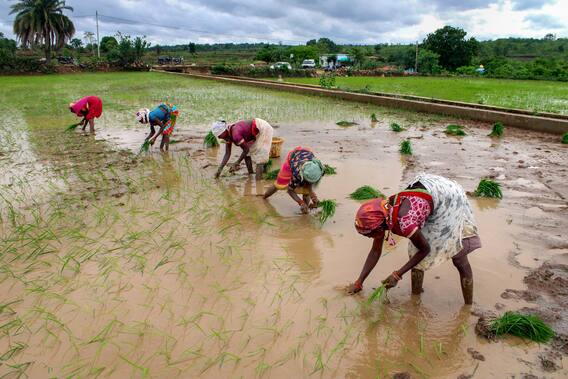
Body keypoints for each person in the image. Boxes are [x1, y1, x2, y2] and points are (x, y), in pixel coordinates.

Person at [347, 173, 481, 305]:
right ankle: (415, 300)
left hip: (448, 196)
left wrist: (397, 275)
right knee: (414, 252)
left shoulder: (405, 222)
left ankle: (468, 306)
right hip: (428, 192)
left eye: (369, 234)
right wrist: (359, 282)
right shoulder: (384, 215)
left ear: (380, 227)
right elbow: (375, 251)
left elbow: (425, 249)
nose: (369, 237)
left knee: (458, 254)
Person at [263, 146, 324, 214]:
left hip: (306, 155)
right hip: (293, 156)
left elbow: (309, 183)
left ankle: (305, 210)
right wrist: (300, 202)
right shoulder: (297, 173)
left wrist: (313, 195)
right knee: (279, 184)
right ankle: (264, 197)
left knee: (306, 191)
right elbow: (290, 190)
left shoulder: (318, 169)